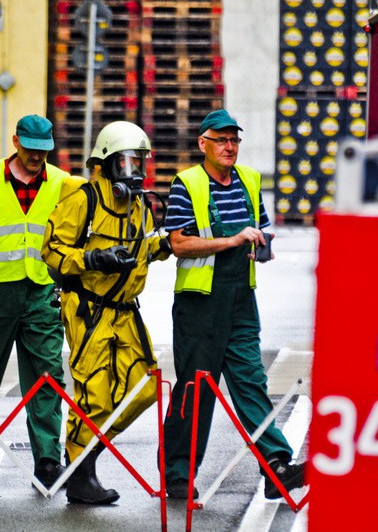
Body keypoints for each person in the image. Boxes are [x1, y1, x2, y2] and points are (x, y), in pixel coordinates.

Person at [161, 109, 308, 500]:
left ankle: (276, 467)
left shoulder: (249, 180)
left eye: (234, 140)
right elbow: (177, 243)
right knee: (195, 391)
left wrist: (262, 245)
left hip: (241, 299)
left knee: (251, 383)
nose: (230, 147)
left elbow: (258, 227)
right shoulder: (186, 184)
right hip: (199, 304)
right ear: (203, 144)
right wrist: (231, 241)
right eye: (222, 140)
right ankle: (177, 473)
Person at [0, 114, 84, 488]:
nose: (37, 157)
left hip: (41, 293)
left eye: (43, 151)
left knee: (47, 379)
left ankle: (46, 461)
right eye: (30, 149)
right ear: (15, 141)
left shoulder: (60, 184)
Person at [42, 121, 172, 505]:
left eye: (140, 162)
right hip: (89, 311)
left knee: (145, 387)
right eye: (128, 162)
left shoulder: (139, 206)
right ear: (107, 164)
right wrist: (94, 258)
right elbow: (51, 250)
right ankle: (81, 474)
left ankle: (85, 453)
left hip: (126, 311)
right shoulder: (83, 199)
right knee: (93, 395)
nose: (135, 171)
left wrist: (174, 240)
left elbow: (150, 246)